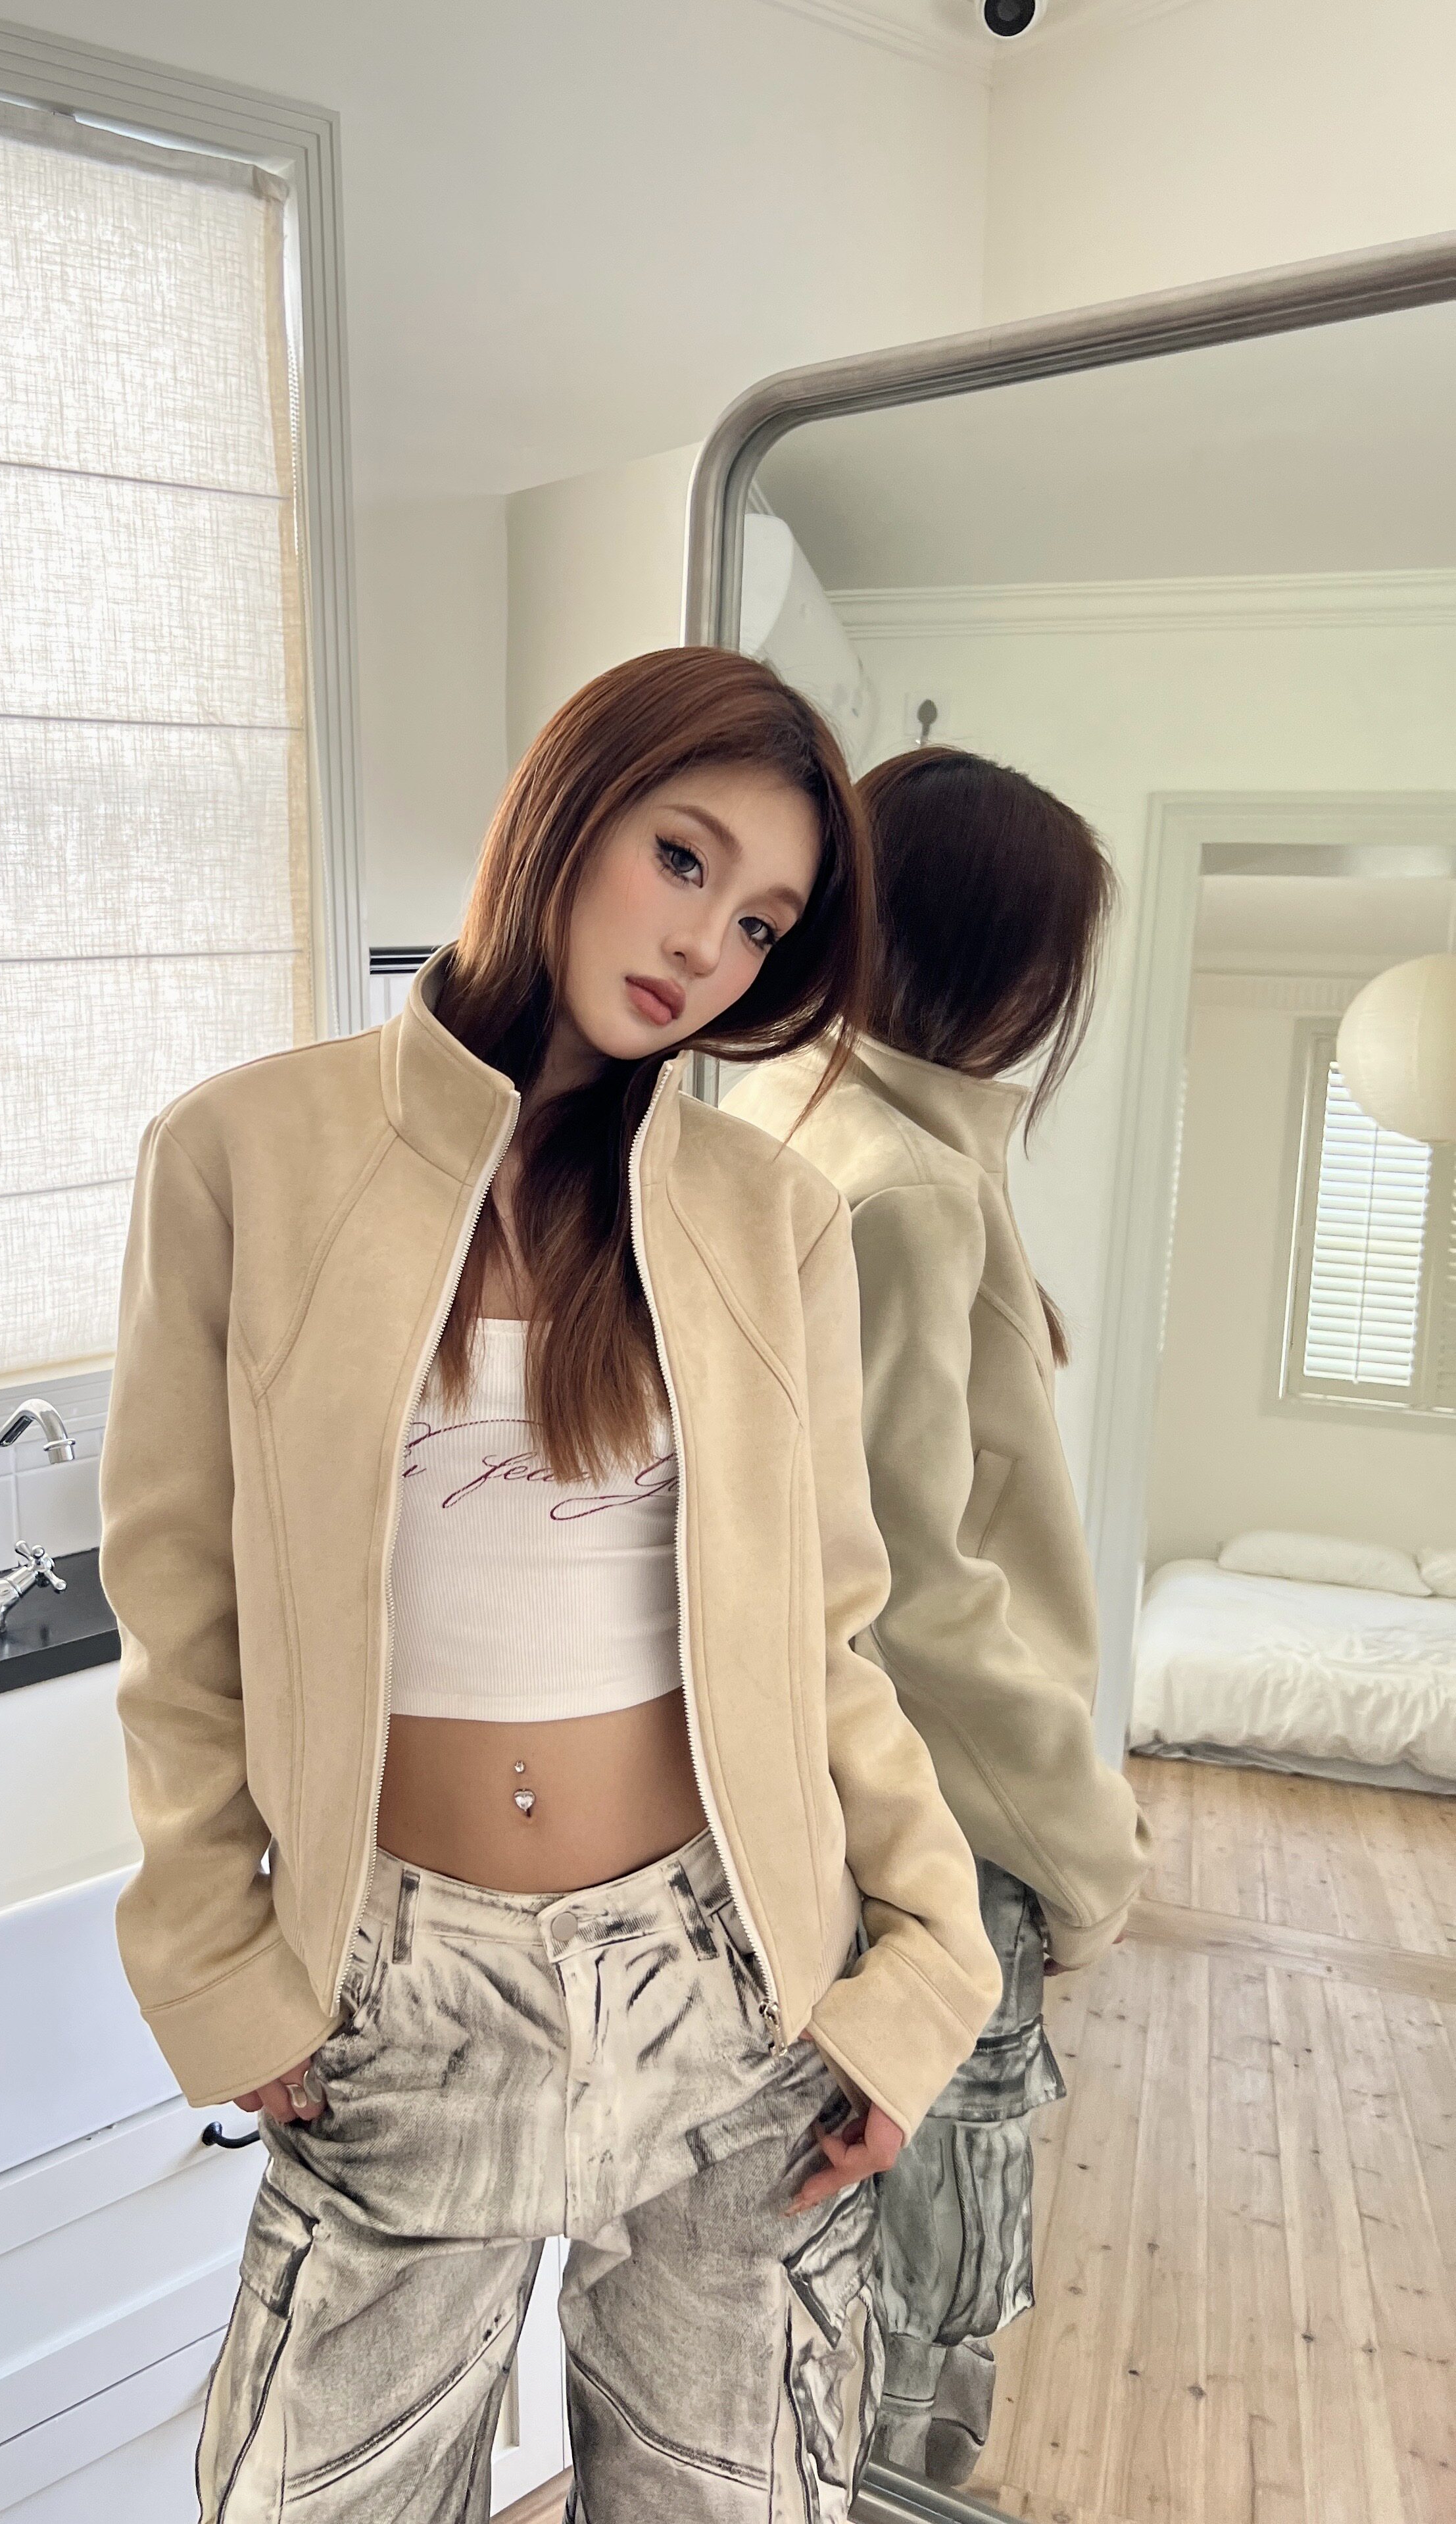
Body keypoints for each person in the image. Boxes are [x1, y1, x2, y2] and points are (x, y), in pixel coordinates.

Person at [97, 651, 1001, 2522]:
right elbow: (180, 1621)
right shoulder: (243, 1157)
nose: (706, 949)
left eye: (762, 923)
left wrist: (922, 1969)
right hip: (395, 2002)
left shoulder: (771, 1216)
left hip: (728, 1993)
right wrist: (216, 1963)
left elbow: (830, 1639)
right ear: (565, 815)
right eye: (683, 858)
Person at [724, 745, 1152, 2487]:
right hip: (949, 1822)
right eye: (1052, 955)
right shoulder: (899, 1184)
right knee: (932, 2334)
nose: (1055, 997)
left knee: (827, 2267)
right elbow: (913, 1596)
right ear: (999, 957)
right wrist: (1084, 1840)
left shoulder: (791, 1118)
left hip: (836, 1807)